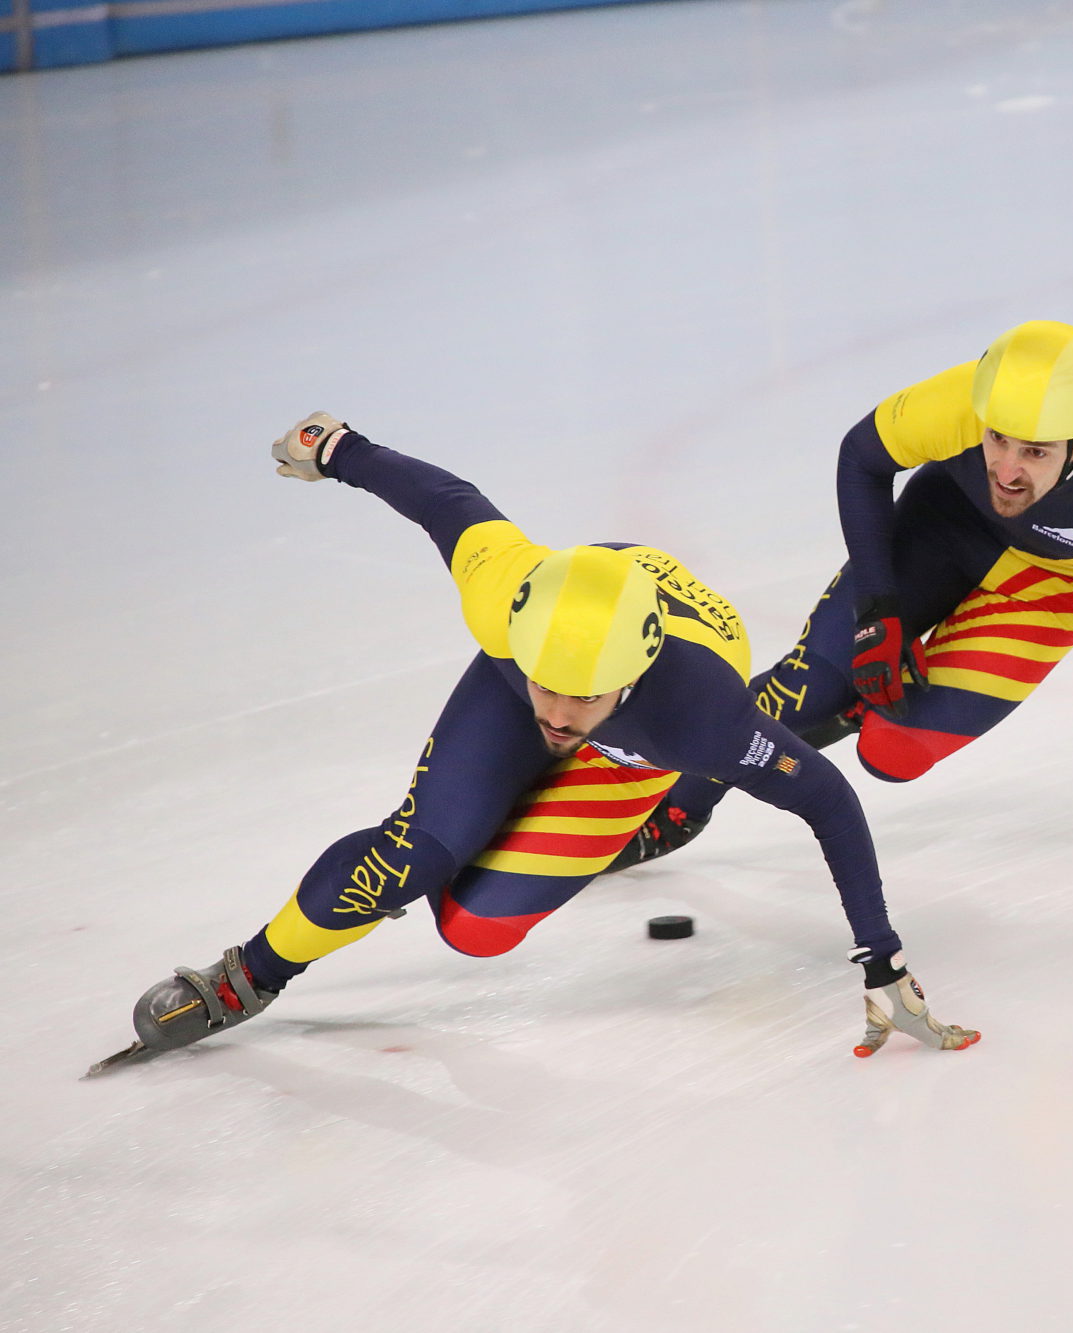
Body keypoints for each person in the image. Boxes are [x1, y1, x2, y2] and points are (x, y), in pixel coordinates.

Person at [93, 413, 976, 1074]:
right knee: (415, 854)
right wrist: (336, 449)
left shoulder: (695, 710)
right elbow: (448, 504)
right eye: (546, 684)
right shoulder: (507, 594)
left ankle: (671, 807)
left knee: (478, 928)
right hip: (559, 632)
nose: (557, 712)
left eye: (583, 699)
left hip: (657, 732)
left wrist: (883, 957)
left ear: (627, 683)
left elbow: (825, 795)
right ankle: (249, 972)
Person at [623, 321, 1073, 893]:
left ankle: (854, 702)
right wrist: (879, 610)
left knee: (890, 749)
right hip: (948, 522)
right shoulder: (960, 402)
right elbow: (860, 458)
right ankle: (679, 804)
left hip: (1061, 584)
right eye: (996, 439)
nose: (1007, 469)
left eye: (1035, 452)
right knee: (808, 684)